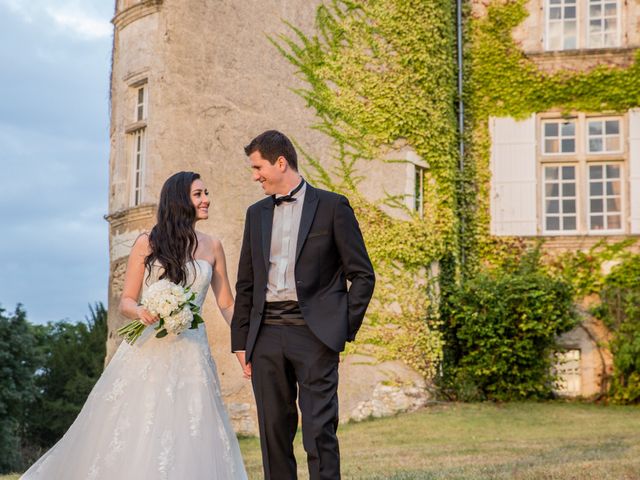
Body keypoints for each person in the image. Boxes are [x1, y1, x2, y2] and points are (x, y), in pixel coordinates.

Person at [21, 172, 248, 480]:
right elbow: (126, 301)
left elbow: (226, 304)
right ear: (180, 200)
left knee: (193, 425)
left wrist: (243, 346)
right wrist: (143, 311)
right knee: (142, 425)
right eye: (198, 194)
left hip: (193, 349)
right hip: (149, 349)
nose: (207, 199)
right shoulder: (147, 243)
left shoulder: (213, 246)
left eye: (205, 193)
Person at [231, 130, 375, 480]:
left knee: (319, 431)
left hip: (315, 336)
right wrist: (240, 341)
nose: (255, 176)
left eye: (258, 167)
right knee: (273, 435)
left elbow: (363, 275)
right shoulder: (256, 214)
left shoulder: (332, 206)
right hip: (265, 336)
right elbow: (246, 283)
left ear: (281, 162)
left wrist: (340, 328)